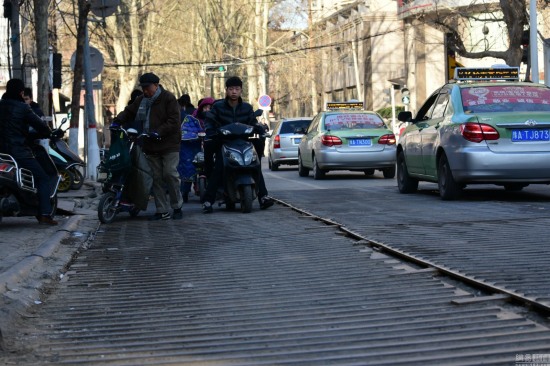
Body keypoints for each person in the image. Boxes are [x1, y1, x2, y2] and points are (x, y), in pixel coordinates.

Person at [113, 72, 184, 220]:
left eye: (148, 87)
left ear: (156, 86)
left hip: (169, 144)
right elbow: (129, 112)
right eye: (143, 88)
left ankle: (177, 206)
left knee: (170, 174)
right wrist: (117, 121)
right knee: (156, 178)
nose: (145, 91)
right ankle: (162, 210)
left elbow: (174, 121)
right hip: (150, 145)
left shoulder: (168, 98)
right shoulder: (141, 100)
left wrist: (158, 132)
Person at [201, 76, 274, 213]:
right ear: (226, 90)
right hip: (225, 143)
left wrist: (259, 128)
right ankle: (207, 201)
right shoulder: (218, 107)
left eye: (237, 89)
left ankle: (263, 197)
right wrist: (210, 130)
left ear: (241, 90)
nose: (234, 91)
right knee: (218, 168)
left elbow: (252, 122)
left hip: (244, 143)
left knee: (255, 166)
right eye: (231, 89)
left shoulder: (247, 107)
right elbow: (210, 121)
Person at [0, 79, 58, 225]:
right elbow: (40, 125)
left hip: (2, 153)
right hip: (18, 152)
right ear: (21, 92)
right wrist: (49, 133)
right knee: (43, 178)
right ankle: (45, 213)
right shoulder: (23, 108)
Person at [178, 97, 215, 202]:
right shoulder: (191, 119)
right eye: (205, 108)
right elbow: (185, 130)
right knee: (188, 168)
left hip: (210, 148)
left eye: (210, 108)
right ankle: (185, 191)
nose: (208, 110)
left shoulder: (216, 120)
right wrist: (196, 135)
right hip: (194, 148)